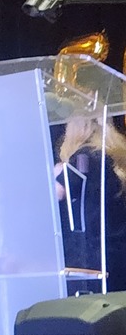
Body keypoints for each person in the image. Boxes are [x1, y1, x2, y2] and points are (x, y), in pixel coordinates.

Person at [54, 116, 126, 292]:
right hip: (118, 253)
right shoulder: (114, 158)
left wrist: (55, 172)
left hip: (93, 259)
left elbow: (55, 193)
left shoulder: (84, 156)